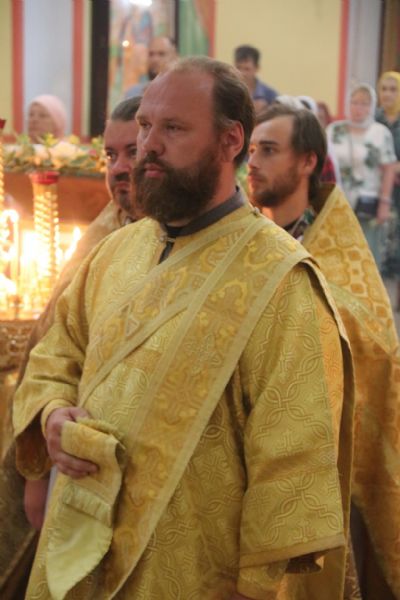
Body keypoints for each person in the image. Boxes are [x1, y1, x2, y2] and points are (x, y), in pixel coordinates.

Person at [12, 57, 352, 600]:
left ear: (230, 141)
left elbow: (292, 461)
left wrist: (251, 591)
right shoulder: (116, 251)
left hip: (193, 570)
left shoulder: (280, 279)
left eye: (173, 128)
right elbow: (56, 354)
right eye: (146, 126)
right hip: (77, 548)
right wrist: (52, 414)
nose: (148, 146)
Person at [247, 103, 400, 599]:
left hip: (319, 456)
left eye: (269, 150)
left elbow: (376, 340)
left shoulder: (336, 244)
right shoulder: (241, 235)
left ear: (307, 161)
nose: (253, 163)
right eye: (252, 150)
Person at [0, 96, 142, 599]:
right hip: (77, 469)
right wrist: (38, 472)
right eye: (110, 155)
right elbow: (49, 354)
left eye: (133, 152)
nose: (119, 168)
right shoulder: (100, 238)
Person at [326, 83, 396, 271]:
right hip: (336, 201)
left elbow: (389, 168)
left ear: (371, 106)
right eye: (354, 102)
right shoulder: (334, 130)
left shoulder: (380, 133)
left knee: (366, 254)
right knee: (337, 253)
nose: (358, 108)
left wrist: (384, 202)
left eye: (364, 104)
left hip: (368, 203)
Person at [376, 70, 400, 309]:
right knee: (378, 247)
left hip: (398, 194)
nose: (388, 94)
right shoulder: (373, 120)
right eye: (384, 89)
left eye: (393, 89)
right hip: (376, 192)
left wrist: (394, 167)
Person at [234, 45, 278, 110]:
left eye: (247, 69)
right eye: (238, 68)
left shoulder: (270, 95)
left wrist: (265, 111)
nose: (242, 73)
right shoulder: (228, 92)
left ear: (257, 68)